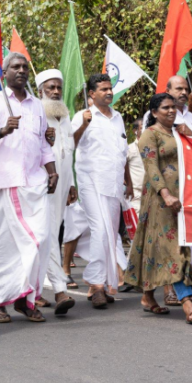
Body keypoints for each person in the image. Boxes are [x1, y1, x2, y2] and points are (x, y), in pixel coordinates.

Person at [0, 54, 60, 323]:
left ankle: (25, 299)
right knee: (2, 247)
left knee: (40, 241)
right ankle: (0, 303)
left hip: (34, 183)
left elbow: (43, 143)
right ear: (5, 72)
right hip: (2, 183)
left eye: (25, 67)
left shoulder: (37, 105)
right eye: (16, 67)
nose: (22, 71)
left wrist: (52, 170)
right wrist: (2, 131)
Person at [125, 93, 192, 324]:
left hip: (184, 198)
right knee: (172, 248)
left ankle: (148, 297)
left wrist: (191, 136)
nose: (171, 111)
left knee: (160, 246)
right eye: (165, 108)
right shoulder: (149, 135)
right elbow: (151, 168)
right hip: (161, 200)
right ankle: (187, 302)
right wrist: (166, 194)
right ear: (154, 112)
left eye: (173, 107)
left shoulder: (179, 132)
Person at [72, 74, 133, 308]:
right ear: (92, 94)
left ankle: (106, 284)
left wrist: (128, 179)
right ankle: (96, 284)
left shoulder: (117, 118)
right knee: (100, 230)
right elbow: (71, 144)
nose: (109, 92)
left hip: (114, 184)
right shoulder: (83, 116)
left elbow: (122, 151)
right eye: (103, 89)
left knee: (110, 235)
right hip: (91, 182)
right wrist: (84, 125)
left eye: (110, 88)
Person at [36, 69, 79, 311]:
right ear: (40, 90)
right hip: (42, 183)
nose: (55, 92)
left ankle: (32, 290)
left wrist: (71, 183)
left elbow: (68, 153)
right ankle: (60, 289)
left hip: (62, 185)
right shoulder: (36, 115)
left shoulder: (65, 116)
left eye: (58, 88)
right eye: (50, 87)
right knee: (48, 233)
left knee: (51, 233)